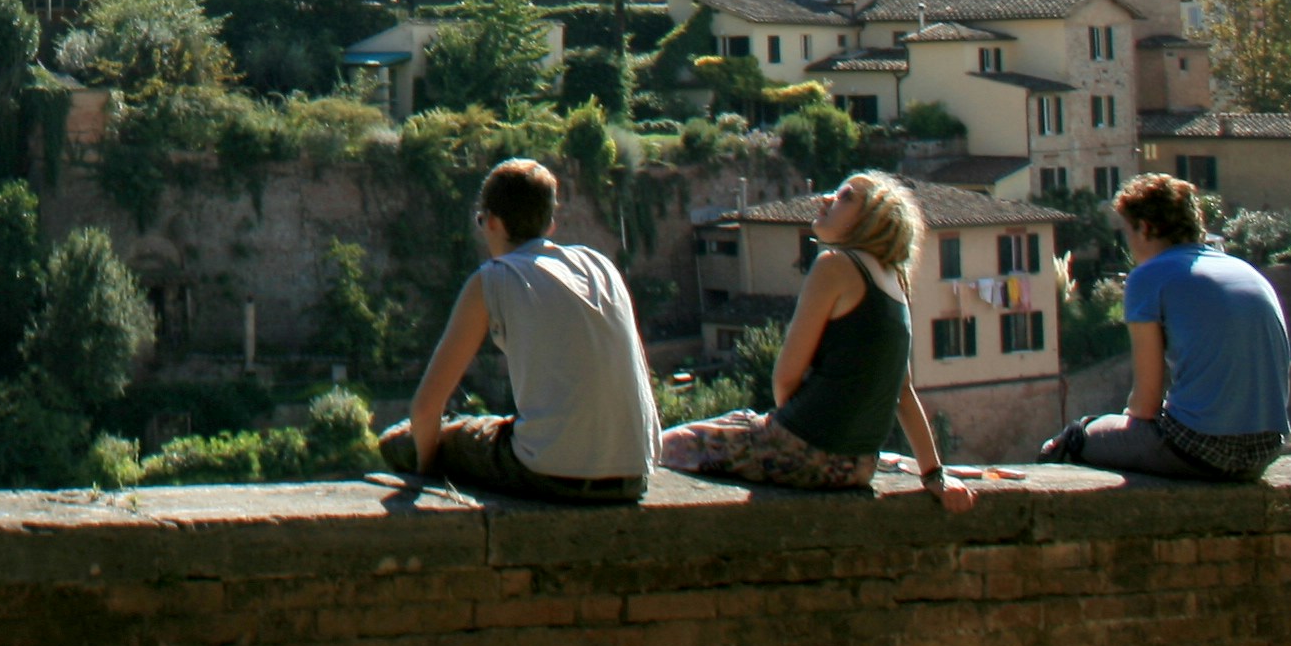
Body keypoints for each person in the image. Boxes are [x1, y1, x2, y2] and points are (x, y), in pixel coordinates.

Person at [658, 171, 978, 511]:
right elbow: (903, 391)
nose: (826, 199)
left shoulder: (835, 266)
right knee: (737, 421)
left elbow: (785, 378)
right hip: (858, 467)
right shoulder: (894, 283)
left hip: (803, 450)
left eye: (846, 197)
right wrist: (934, 475)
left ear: (874, 220)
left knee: (668, 445)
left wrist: (790, 434)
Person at [384, 156, 663, 504]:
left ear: (493, 222)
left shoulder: (495, 277)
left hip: (552, 473)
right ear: (549, 224)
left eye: (481, 220)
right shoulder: (600, 266)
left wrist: (425, 472)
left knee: (400, 439)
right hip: (634, 475)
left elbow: (426, 409)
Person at [1039, 172, 1291, 480]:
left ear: (1145, 228)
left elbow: (1145, 404)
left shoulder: (1148, 277)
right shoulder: (1244, 270)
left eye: (1127, 234)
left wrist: (1113, 432)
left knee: (1073, 439)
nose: (1128, 246)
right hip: (1265, 450)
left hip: (1199, 448)